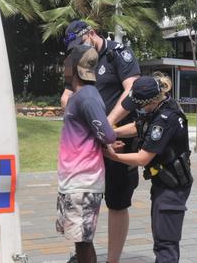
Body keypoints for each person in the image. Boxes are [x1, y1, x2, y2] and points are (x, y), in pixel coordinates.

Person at [62, 20, 140, 263]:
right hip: (91, 145)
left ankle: (112, 260)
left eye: (81, 43)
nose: (79, 49)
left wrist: (105, 123)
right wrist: (83, 119)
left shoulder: (120, 54)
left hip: (117, 139)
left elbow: (132, 90)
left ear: (92, 34)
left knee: (117, 201)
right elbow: (66, 96)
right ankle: (84, 253)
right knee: (84, 198)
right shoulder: (76, 60)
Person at [105, 73, 192, 263]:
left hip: (172, 188)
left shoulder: (164, 119)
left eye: (139, 106)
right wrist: (112, 132)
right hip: (164, 184)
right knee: (161, 239)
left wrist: (113, 156)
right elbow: (138, 126)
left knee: (165, 245)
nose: (138, 110)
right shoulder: (163, 106)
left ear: (150, 102)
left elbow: (143, 158)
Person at [56, 44, 116, 263]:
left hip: (83, 180)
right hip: (73, 179)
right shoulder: (80, 96)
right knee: (80, 241)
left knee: (83, 242)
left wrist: (104, 142)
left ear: (74, 67)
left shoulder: (88, 97)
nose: (64, 67)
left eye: (67, 63)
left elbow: (107, 134)